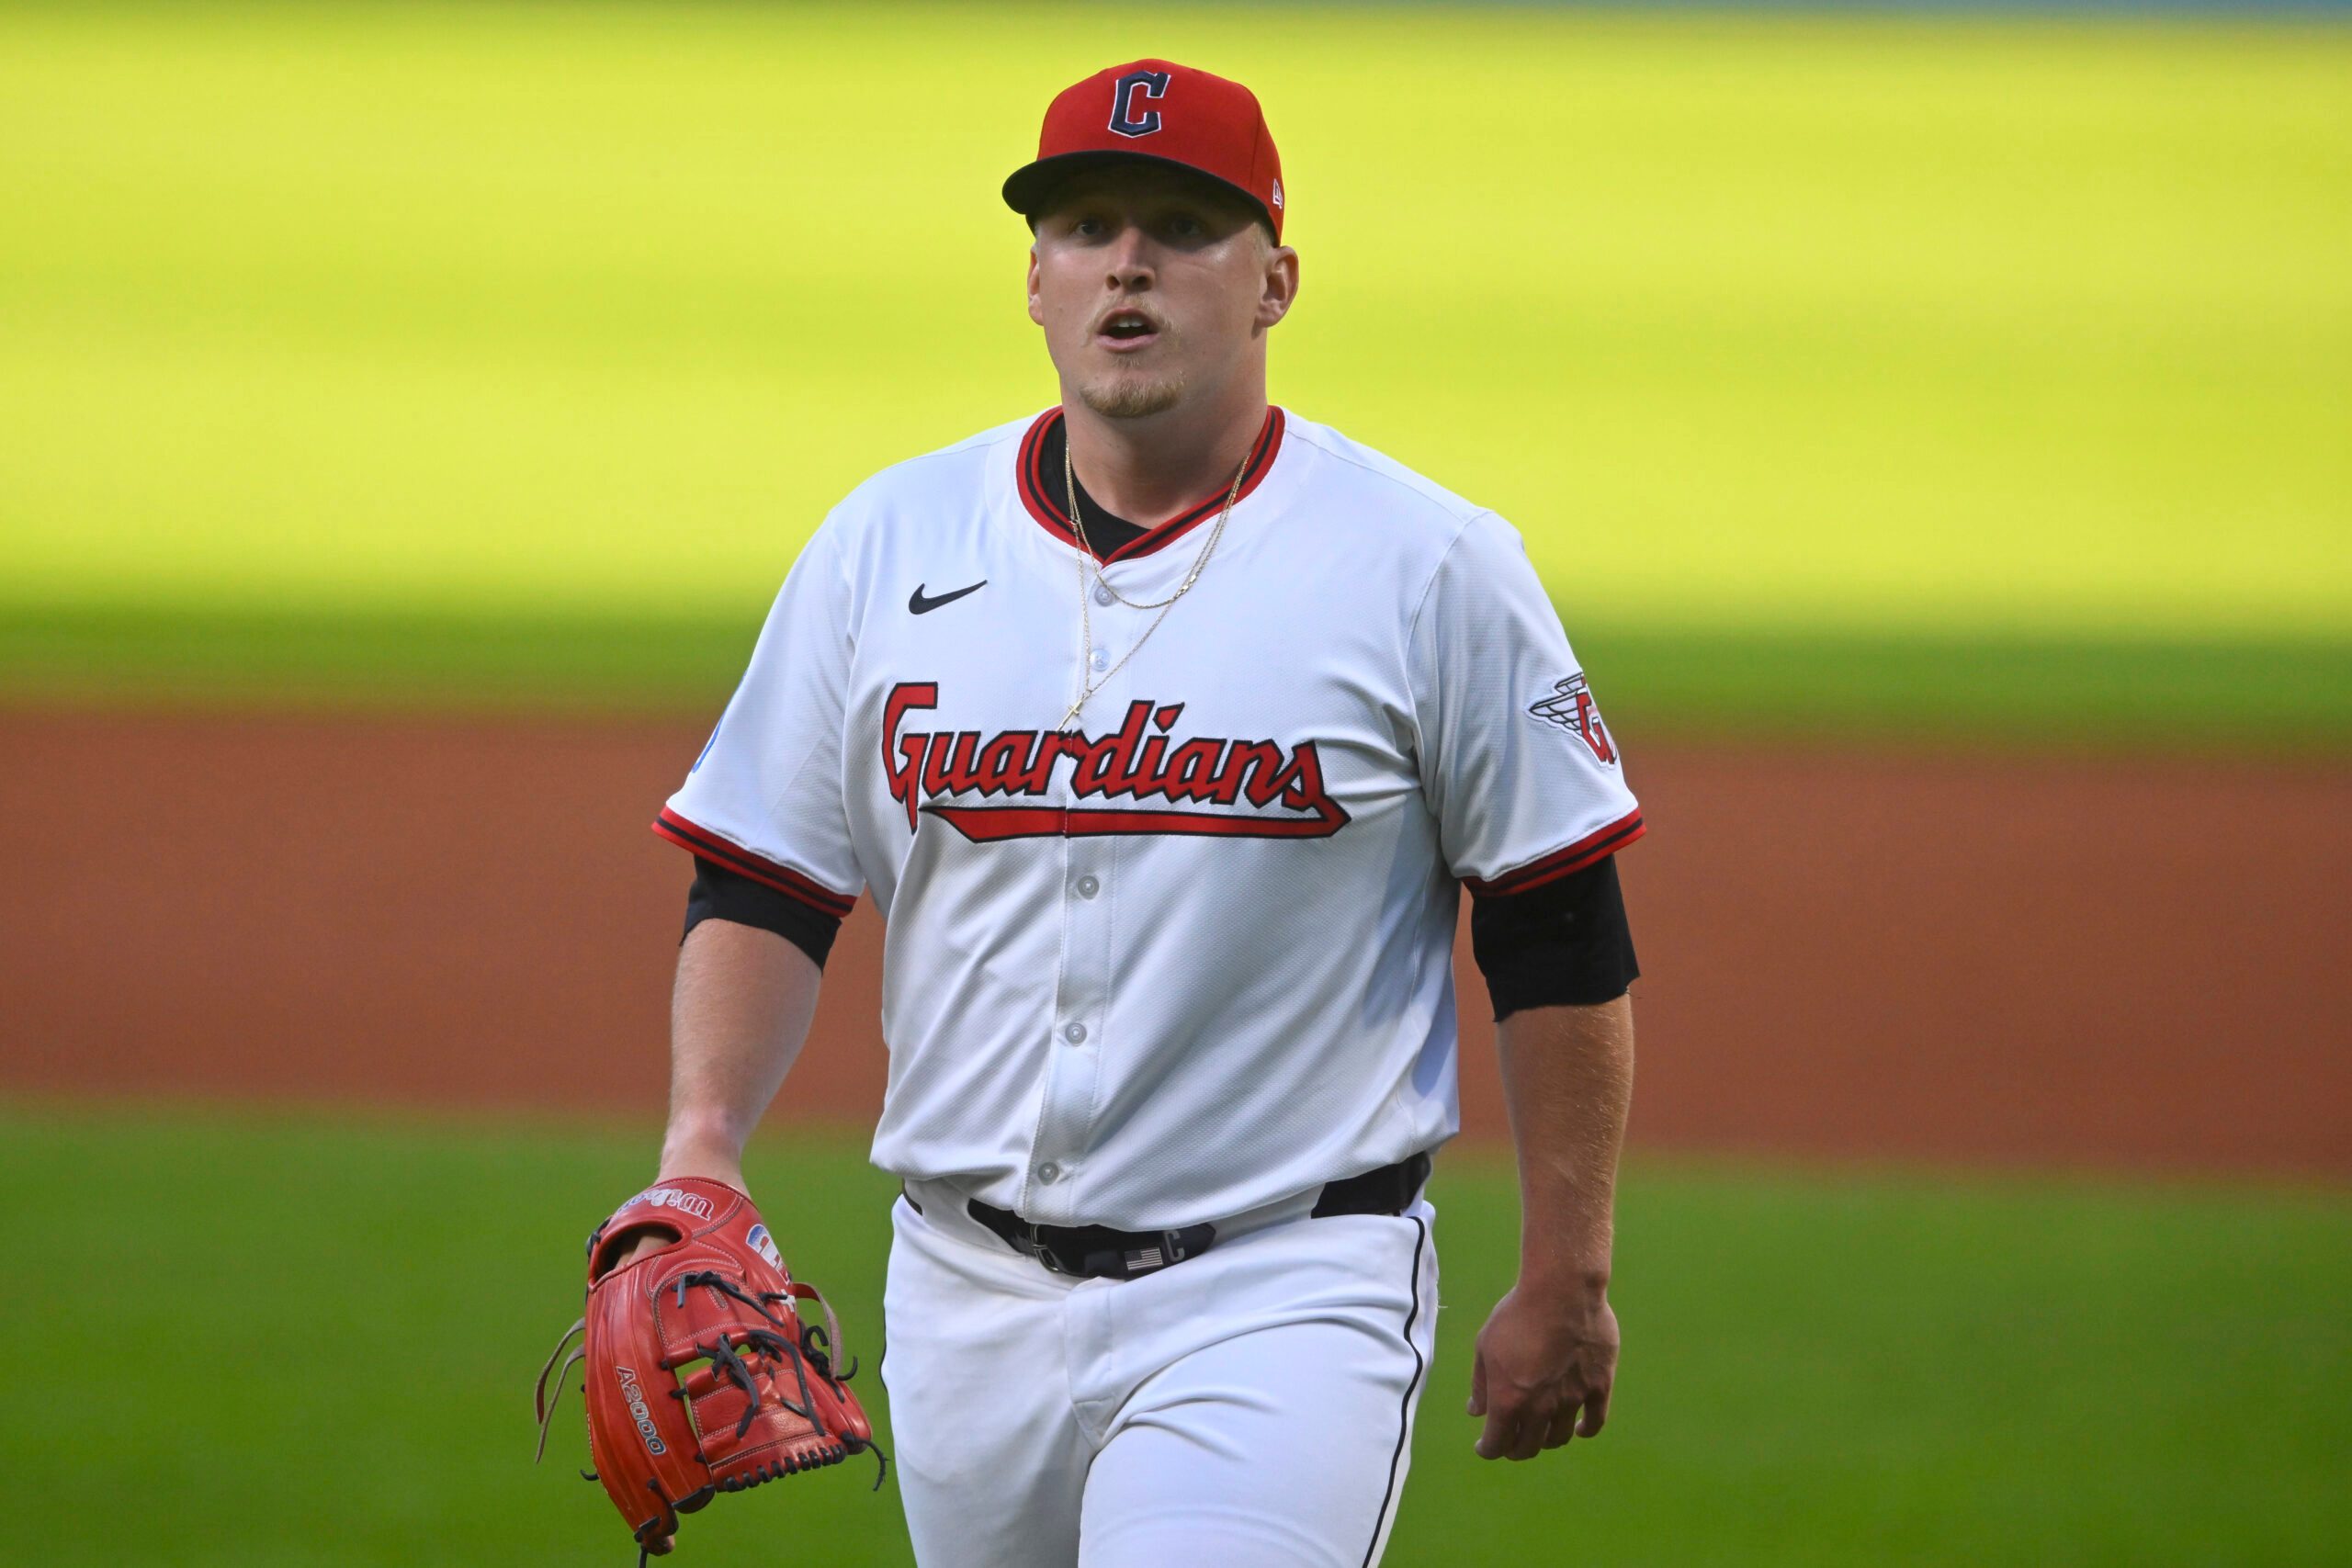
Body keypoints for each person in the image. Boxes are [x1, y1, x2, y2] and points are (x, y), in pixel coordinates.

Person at [627, 57, 1645, 1568]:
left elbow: (1559, 925)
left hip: (1285, 1291)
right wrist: (700, 1140)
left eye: (1184, 226)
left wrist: (1568, 1272)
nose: (1130, 262)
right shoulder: (885, 542)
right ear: (1033, 278)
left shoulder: (1429, 566)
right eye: (1088, 224)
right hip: (961, 1301)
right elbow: (769, 877)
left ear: (1275, 281)